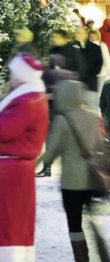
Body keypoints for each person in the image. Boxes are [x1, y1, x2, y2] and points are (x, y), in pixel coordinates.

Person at [0, 52, 49, 262]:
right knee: (4, 223)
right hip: (7, 169)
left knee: (7, 224)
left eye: (14, 74)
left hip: (11, 172)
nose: (10, 78)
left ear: (23, 75)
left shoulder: (28, 100)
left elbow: (3, 129)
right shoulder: (25, 98)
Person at [38, 80, 108, 261]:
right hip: (91, 179)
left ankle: (82, 258)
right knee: (91, 217)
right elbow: (99, 146)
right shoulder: (92, 117)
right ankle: (102, 250)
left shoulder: (62, 120)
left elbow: (50, 153)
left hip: (71, 182)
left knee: (75, 224)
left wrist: (40, 162)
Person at [78, 26, 104, 107]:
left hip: (95, 78)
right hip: (84, 81)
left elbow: (101, 62)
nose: (92, 37)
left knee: (93, 103)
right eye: (91, 36)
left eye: (94, 35)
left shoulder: (99, 47)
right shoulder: (82, 46)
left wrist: (95, 72)